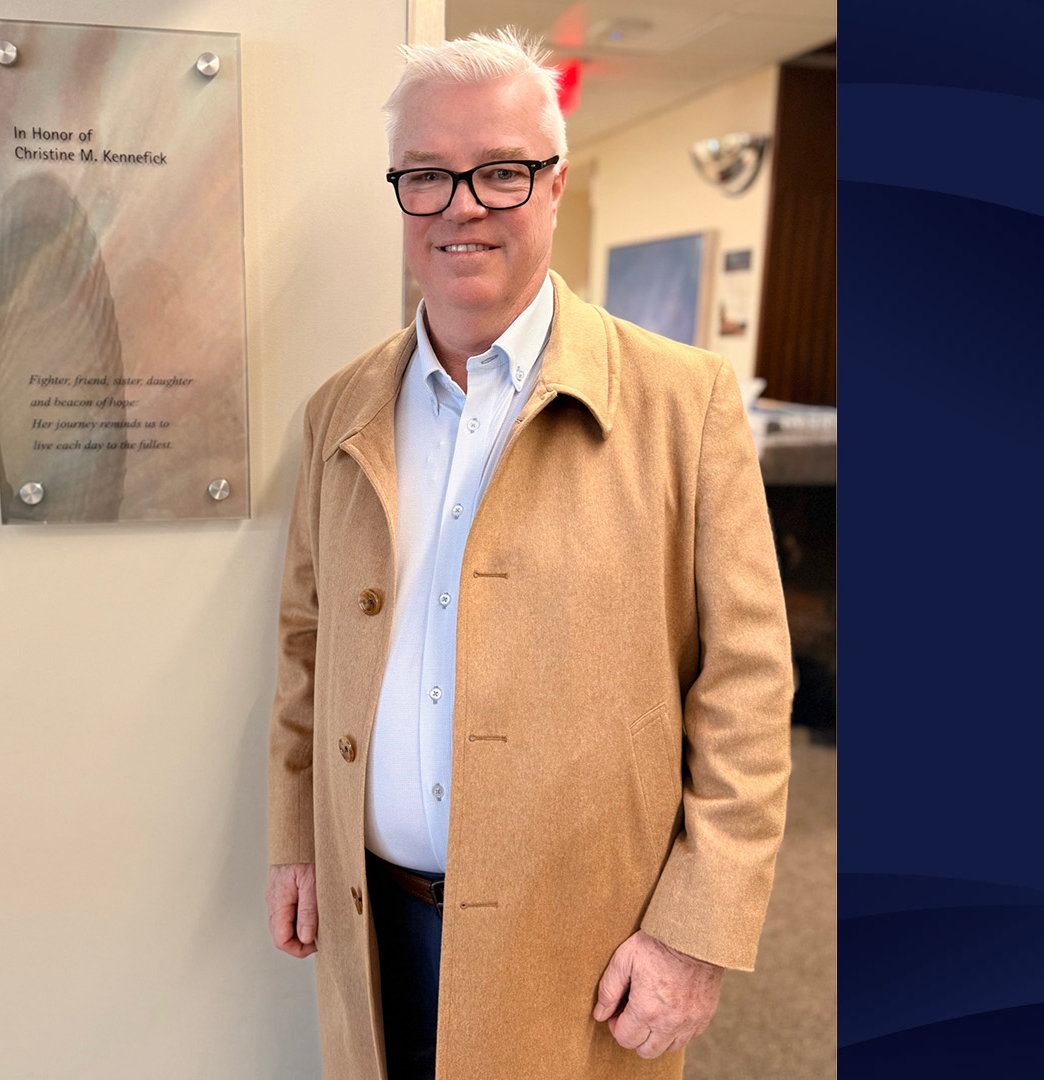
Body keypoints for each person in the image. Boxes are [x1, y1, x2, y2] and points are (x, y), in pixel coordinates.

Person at [265, 27, 793, 1080]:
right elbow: (306, 644)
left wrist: (696, 929)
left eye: (500, 171)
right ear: (401, 194)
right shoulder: (341, 411)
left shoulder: (683, 404)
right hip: (376, 928)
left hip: (584, 950)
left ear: (553, 187)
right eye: (427, 175)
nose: (462, 205)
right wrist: (297, 837)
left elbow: (746, 684)